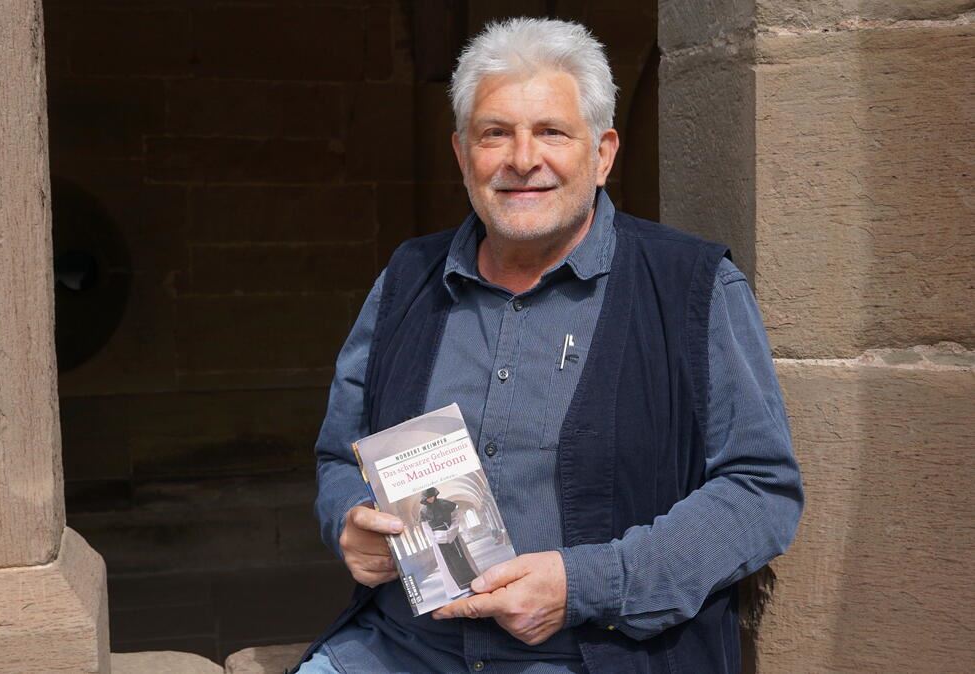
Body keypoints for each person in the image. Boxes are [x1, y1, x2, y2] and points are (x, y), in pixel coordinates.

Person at [300, 16, 803, 674]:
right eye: (495, 134)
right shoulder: (405, 280)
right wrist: (348, 520)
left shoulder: (694, 287)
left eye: (552, 133)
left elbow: (761, 493)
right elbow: (340, 454)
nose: (522, 159)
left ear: (603, 153)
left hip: (595, 657)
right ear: (461, 153)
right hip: (401, 651)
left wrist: (585, 584)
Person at [418, 487, 478, 592]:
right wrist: (436, 537)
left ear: (435, 495)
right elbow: (426, 527)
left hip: (452, 534)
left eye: (432, 496)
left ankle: (470, 580)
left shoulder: (444, 503)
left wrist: (450, 533)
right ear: (424, 499)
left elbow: (456, 517)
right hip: (437, 539)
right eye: (428, 498)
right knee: (448, 562)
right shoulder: (423, 512)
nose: (430, 499)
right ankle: (457, 586)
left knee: (461, 557)